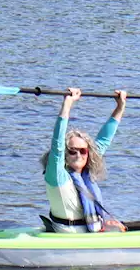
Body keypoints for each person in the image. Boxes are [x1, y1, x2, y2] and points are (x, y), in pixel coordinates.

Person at [41, 87, 128, 233]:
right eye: (72, 151)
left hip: (90, 231)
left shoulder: (85, 173)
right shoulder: (56, 175)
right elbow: (57, 143)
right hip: (67, 234)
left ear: (88, 154)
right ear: (65, 154)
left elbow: (104, 140)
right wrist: (67, 105)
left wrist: (120, 108)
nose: (78, 155)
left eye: (83, 151)